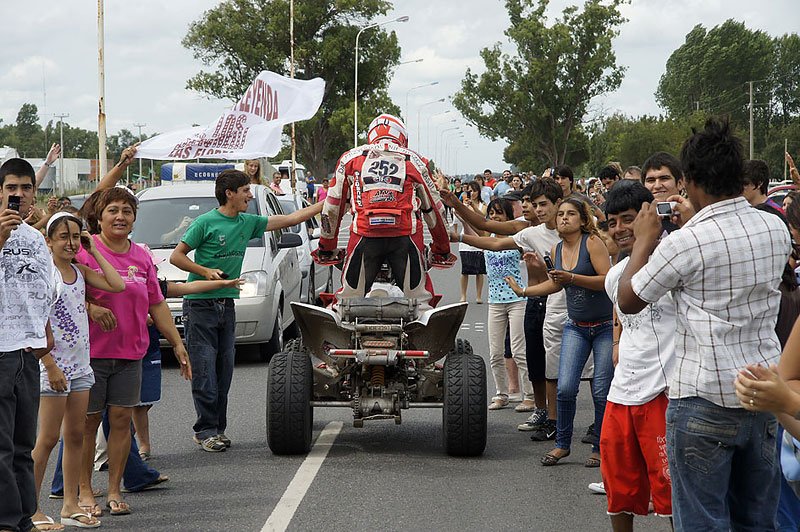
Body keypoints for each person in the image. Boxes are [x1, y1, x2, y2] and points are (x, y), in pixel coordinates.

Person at [618, 117, 790, 530]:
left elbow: (628, 300)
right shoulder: (774, 226)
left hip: (702, 399)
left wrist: (644, 239)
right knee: (757, 521)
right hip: (764, 393)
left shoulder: (684, 242)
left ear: (690, 181)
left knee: (702, 522)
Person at [170, 169, 323, 452]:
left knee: (224, 370)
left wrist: (332, 200)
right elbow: (176, 256)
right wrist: (204, 271)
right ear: (229, 193)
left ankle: (218, 428)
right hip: (200, 306)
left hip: (226, 305)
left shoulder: (248, 222)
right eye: (245, 191)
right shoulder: (205, 223)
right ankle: (205, 430)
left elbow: (291, 218)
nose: (249, 197)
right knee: (204, 371)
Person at [76, 187, 192, 518]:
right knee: (88, 423)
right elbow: (62, 292)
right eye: (113, 210)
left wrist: (178, 343)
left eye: (127, 211)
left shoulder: (141, 256)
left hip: (131, 354)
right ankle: (85, 490)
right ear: (99, 216)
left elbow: (156, 303)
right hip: (91, 355)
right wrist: (90, 307)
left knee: (122, 421)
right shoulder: (85, 251)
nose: (120, 217)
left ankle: (114, 489)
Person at [443, 179, 565, 436]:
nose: (536, 208)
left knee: (567, 370)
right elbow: (490, 234)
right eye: (532, 203)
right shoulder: (528, 233)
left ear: (559, 204)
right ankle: (548, 417)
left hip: (567, 306)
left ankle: (578, 424)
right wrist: (455, 205)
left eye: (541, 204)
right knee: (538, 361)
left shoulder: (571, 227)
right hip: (536, 300)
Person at [30, 212, 125, 530]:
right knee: (46, 440)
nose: (71, 243)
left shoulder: (81, 272)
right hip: (53, 368)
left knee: (75, 437)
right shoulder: (44, 276)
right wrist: (50, 364)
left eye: (75, 236)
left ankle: (70, 506)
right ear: (49, 241)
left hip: (82, 366)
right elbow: (38, 323)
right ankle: (29, 509)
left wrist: (94, 248)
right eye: (63, 237)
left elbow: (117, 284)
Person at [506, 197, 613, 468]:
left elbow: (607, 281)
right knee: (565, 388)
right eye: (561, 214)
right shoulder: (555, 249)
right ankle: (562, 445)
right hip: (575, 326)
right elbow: (555, 285)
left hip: (603, 327)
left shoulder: (592, 243)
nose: (564, 218)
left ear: (582, 219)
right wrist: (524, 291)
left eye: (571, 214)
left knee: (601, 391)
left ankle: (600, 447)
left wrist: (573, 278)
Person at [599, 182, 676, 530]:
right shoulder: (615, 276)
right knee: (619, 492)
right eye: (612, 222)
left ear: (647, 217)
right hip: (622, 393)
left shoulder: (674, 260)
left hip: (664, 394)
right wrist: (616, 344)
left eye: (627, 219)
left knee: (673, 495)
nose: (619, 229)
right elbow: (622, 315)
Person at [316, 114, 454, 307]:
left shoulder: (351, 158)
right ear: (402, 136)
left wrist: (326, 247)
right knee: (422, 303)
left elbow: (332, 208)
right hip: (405, 239)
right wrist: (442, 249)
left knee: (345, 302)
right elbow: (434, 209)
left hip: (364, 236)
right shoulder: (414, 159)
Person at [0, 158, 58, 532]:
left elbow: (44, 287)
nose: (18, 195)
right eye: (10, 188)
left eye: (25, 188)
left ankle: (23, 517)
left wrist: (46, 331)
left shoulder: (35, 238)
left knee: (24, 445)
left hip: (28, 351)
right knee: (1, 448)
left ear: (34, 192)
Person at [457, 198, 533, 412]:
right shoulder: (486, 236)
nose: (495, 217)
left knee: (519, 351)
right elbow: (472, 224)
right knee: (495, 352)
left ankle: (529, 395)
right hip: (495, 302)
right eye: (492, 213)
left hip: (518, 300)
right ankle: (502, 394)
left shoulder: (517, 238)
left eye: (500, 213)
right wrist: (459, 205)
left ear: (508, 216)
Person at [455, 181, 489, 304]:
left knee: (479, 271)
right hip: (466, 240)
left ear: (479, 192)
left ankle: (478, 296)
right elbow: (457, 214)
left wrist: (473, 206)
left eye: (474, 191)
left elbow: (483, 217)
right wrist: (462, 206)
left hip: (479, 239)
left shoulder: (483, 204)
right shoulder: (463, 205)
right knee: (465, 270)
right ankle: (463, 295)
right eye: (470, 191)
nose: (472, 193)